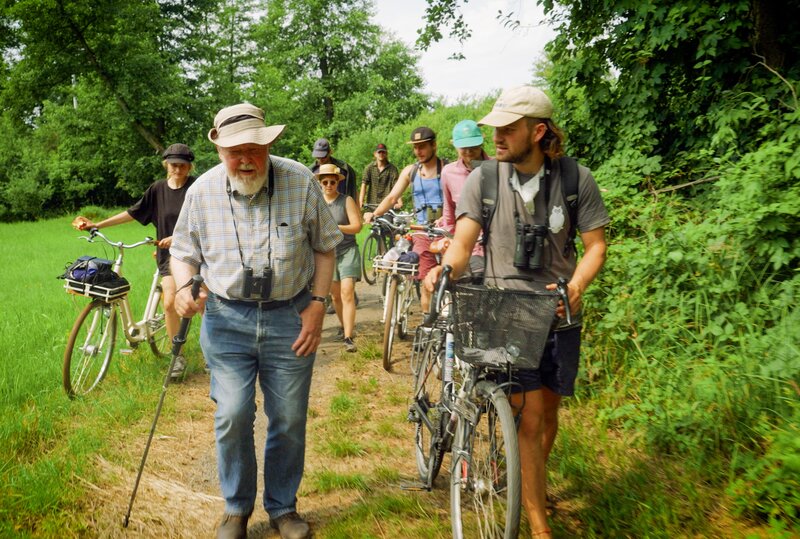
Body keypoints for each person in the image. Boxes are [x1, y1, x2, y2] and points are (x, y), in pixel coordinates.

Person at [424, 86, 610, 539]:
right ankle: (538, 523)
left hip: (559, 311)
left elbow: (596, 246)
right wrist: (443, 271)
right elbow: (464, 243)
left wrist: (576, 286)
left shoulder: (575, 180)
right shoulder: (484, 179)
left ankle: (525, 480)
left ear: (538, 131)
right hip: (503, 309)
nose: (498, 136)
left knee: (549, 413)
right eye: (496, 129)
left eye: (508, 128)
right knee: (527, 414)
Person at [170, 103, 342, 539]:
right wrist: (187, 287)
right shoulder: (202, 191)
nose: (245, 159)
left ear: (269, 145)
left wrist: (319, 303)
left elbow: (326, 246)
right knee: (232, 413)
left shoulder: (301, 180)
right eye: (235, 151)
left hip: (291, 316)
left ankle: (283, 508)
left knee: (288, 417)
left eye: (254, 148)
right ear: (219, 150)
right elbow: (182, 253)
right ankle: (235, 508)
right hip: (227, 320)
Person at [73, 143, 197, 379]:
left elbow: (207, 220)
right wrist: (98, 224)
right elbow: (133, 212)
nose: (177, 169)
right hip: (168, 256)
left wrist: (179, 236)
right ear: (166, 165)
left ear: (189, 166)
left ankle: (217, 353)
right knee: (169, 302)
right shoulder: (157, 189)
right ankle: (177, 356)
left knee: (201, 303)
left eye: (182, 165)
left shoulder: (197, 188)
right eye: (173, 165)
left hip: (196, 253)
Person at [364, 126, 447, 314]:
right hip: (422, 232)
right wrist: (375, 213)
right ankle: (428, 326)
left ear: (434, 145)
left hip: (445, 232)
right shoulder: (411, 171)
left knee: (450, 280)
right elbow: (392, 197)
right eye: (415, 147)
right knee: (426, 281)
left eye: (423, 146)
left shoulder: (447, 169)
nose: (418, 151)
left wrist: (446, 218)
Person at [315, 163, 362, 352]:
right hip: (328, 254)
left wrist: (336, 228)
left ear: (337, 183)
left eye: (332, 182)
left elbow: (357, 226)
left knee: (347, 292)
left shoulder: (346, 200)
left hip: (348, 250)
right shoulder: (316, 203)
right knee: (335, 296)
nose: (328, 185)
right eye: (325, 181)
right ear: (320, 183)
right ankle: (344, 327)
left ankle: (349, 337)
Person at [440, 119, 491, 278]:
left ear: (481, 142)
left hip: (496, 248)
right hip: (466, 247)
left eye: (473, 146)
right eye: (464, 147)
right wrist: (453, 243)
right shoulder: (448, 172)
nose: (469, 151)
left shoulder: (498, 167)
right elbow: (449, 214)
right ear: (454, 145)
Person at [358, 143, 399, 208]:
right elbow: (364, 184)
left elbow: (397, 186)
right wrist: (360, 201)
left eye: (383, 152)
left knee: (387, 218)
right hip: (371, 205)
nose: (381, 154)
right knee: (367, 217)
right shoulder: (369, 168)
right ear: (375, 154)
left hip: (387, 205)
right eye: (379, 152)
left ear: (386, 154)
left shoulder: (392, 169)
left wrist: (399, 202)